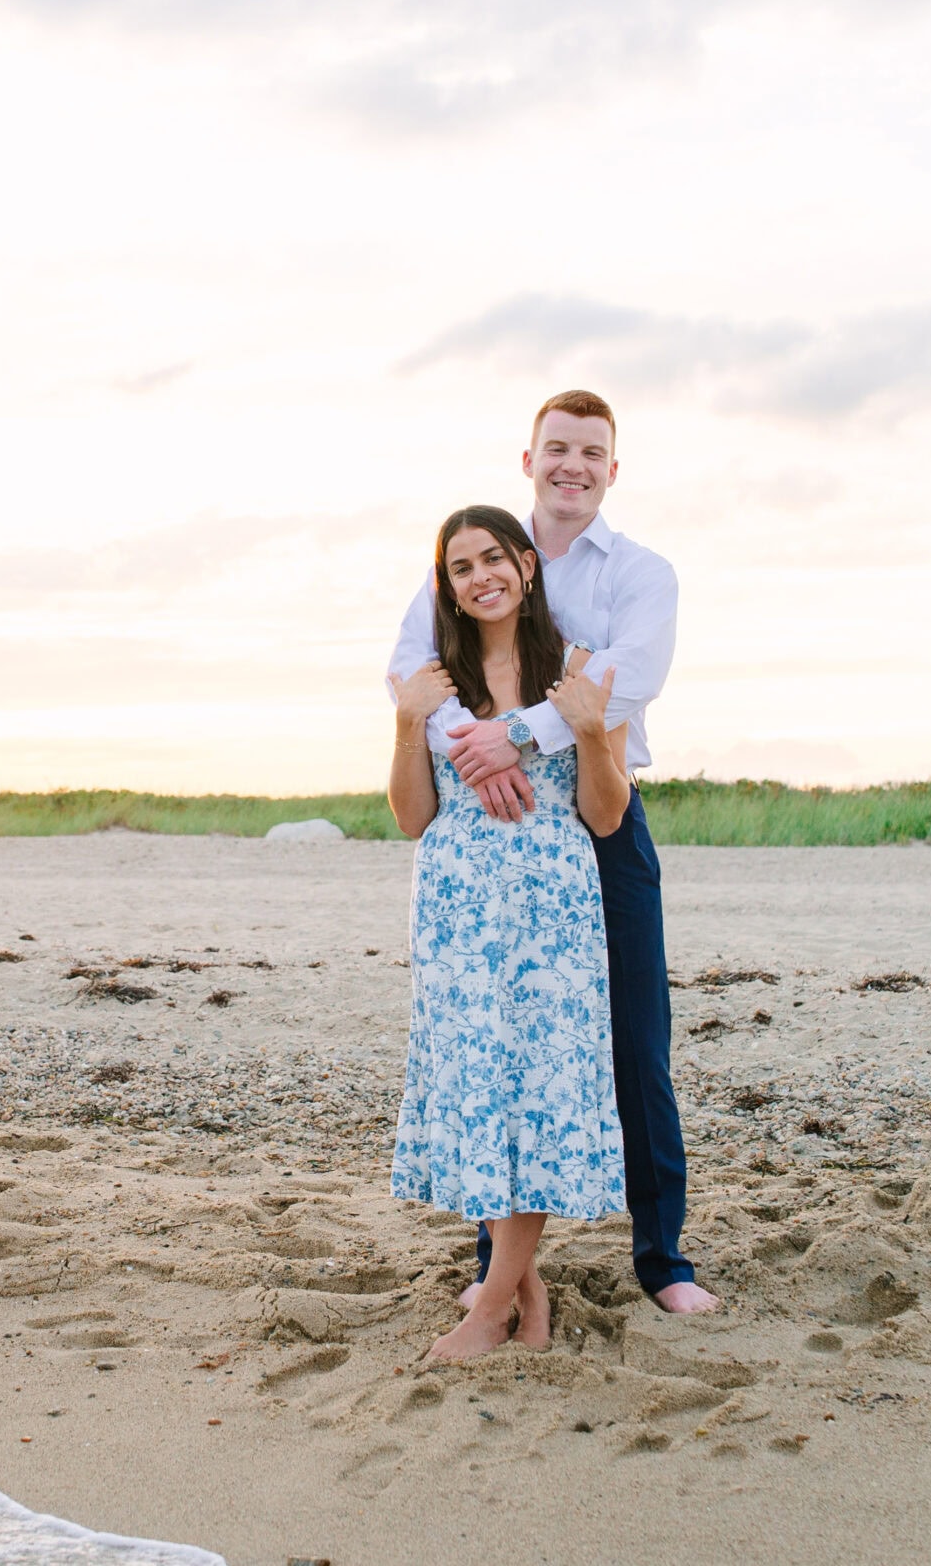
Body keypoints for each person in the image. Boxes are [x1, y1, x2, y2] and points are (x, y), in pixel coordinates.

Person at [385, 390, 718, 1316]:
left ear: (614, 469)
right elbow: (411, 664)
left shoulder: (642, 573)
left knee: (633, 1037)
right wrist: (472, 748)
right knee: (492, 1039)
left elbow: (626, 679)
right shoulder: (479, 543)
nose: (574, 466)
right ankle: (500, 1262)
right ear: (528, 459)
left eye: (592, 453)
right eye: (557, 450)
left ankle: (663, 1259)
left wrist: (517, 740)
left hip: (597, 820)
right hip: (484, 819)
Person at [388, 504, 632, 1361]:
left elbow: (604, 818)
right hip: (456, 909)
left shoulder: (581, 674)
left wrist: (594, 733)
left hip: (551, 913)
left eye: (494, 559)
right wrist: (406, 723)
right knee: (484, 1087)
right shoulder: (436, 683)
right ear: (445, 586)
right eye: (461, 568)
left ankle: (489, 1306)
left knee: (540, 1090)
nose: (480, 577)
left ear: (527, 566)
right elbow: (414, 817)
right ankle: (525, 1294)